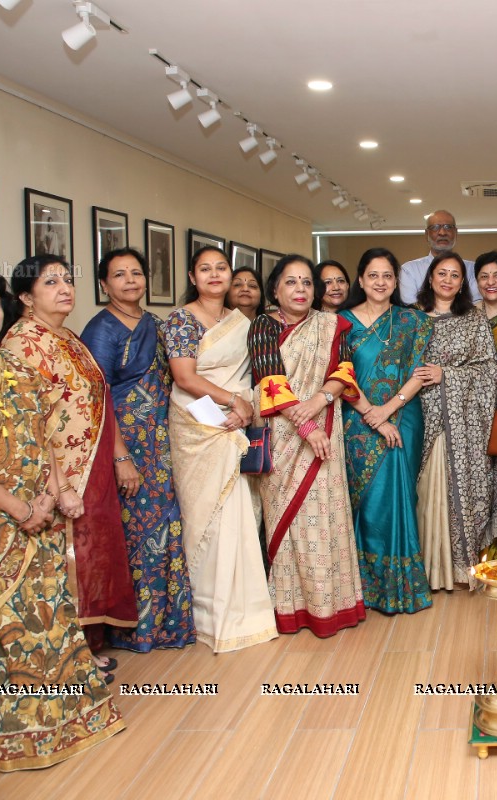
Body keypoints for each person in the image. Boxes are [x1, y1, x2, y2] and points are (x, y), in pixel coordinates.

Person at [0, 271, 124, 771]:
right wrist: (17, 508)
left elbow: (44, 438)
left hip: (38, 511)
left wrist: (57, 493)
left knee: (47, 615)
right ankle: (4, 730)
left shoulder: (17, 367)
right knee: (3, 624)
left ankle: (62, 717)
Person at [3, 255, 138, 670]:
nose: (64, 288)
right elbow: (28, 419)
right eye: (51, 283)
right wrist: (58, 484)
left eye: (67, 280)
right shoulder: (21, 343)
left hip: (92, 459)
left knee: (92, 549)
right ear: (26, 296)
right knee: (66, 555)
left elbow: (100, 401)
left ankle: (85, 644)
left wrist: (120, 456)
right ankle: (68, 651)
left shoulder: (69, 337)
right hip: (58, 468)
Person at [81, 248, 196, 652]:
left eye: (136, 273)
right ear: (104, 285)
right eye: (119, 275)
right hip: (127, 446)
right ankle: (137, 627)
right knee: (139, 533)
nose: (130, 280)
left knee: (167, 529)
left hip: (160, 443)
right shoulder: (101, 330)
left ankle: (169, 623)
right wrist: (121, 458)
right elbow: (97, 400)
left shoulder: (153, 323)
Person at [165, 245, 276, 652]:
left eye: (221, 268)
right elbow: (185, 377)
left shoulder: (240, 321)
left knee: (243, 513)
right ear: (192, 278)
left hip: (237, 420)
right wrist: (233, 402)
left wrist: (244, 409)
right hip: (198, 423)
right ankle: (209, 616)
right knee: (207, 514)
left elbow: (250, 374)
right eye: (205, 269)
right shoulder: (180, 319)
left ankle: (249, 610)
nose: (214, 275)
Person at [249, 254, 365, 637]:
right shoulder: (263, 325)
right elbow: (269, 380)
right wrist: (305, 426)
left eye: (306, 283)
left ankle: (332, 606)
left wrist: (318, 404)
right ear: (275, 289)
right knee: (290, 519)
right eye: (291, 282)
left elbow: (344, 372)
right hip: (283, 433)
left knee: (327, 518)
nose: (300, 289)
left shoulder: (330, 324)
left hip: (325, 428)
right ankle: (292, 609)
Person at [339, 248, 434, 613]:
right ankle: (361, 588)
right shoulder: (340, 323)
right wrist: (370, 414)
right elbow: (339, 375)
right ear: (360, 279)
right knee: (359, 503)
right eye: (373, 275)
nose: (380, 282)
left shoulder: (411, 321)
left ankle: (396, 588)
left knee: (395, 497)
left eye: (388, 276)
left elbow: (419, 373)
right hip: (354, 421)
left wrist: (388, 411)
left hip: (401, 419)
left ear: (396, 282)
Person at [414, 251, 497, 589]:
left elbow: (488, 370)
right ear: (430, 278)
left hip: (462, 422)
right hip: (420, 415)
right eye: (441, 273)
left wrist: (445, 374)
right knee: (424, 490)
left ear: (463, 283)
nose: (447, 280)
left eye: (455, 275)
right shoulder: (412, 318)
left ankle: (457, 569)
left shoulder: (474, 319)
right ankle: (428, 569)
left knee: (457, 488)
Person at [399, 210, 480, 304]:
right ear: (426, 234)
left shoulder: (473, 269)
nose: (442, 232)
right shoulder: (410, 270)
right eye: (435, 227)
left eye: (448, 227)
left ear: (456, 233)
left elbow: (476, 306)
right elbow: (412, 310)